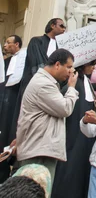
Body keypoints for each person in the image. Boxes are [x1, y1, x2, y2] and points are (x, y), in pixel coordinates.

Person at [16, 48, 78, 183]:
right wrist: (72, 88)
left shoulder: (46, 82)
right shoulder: (43, 84)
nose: (70, 72)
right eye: (68, 67)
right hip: (38, 152)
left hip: (40, 149)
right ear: (57, 65)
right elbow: (65, 108)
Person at [52, 60, 96, 198]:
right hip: (71, 132)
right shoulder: (74, 79)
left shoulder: (85, 80)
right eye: (91, 65)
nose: (94, 68)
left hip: (84, 133)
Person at [0, 34, 24, 182]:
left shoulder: (23, 61)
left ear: (17, 45)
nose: (5, 45)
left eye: (9, 43)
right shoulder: (5, 62)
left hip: (12, 106)